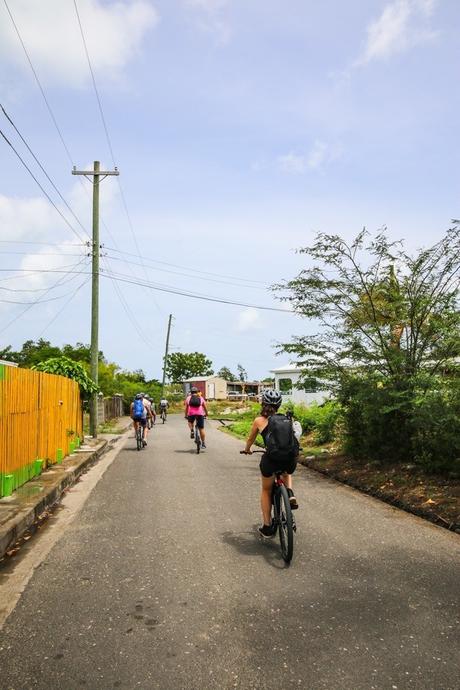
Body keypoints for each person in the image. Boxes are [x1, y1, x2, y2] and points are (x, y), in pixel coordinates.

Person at [242, 389, 299, 538]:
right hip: (289, 458)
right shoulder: (287, 419)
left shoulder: (259, 421)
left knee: (266, 490)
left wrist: (247, 450)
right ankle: (290, 493)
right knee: (287, 472)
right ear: (279, 405)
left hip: (271, 460)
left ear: (263, 403)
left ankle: (267, 527)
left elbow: (250, 440)